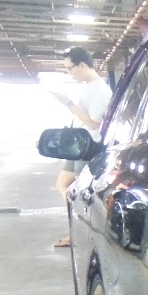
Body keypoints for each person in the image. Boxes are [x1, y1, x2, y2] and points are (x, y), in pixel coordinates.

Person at [50, 46, 112, 246]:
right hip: (78, 146)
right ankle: (77, 229)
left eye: (70, 68)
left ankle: (81, 232)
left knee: (79, 192)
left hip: (88, 147)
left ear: (83, 65)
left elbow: (94, 123)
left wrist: (68, 103)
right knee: (63, 185)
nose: (69, 73)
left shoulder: (100, 90)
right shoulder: (90, 87)